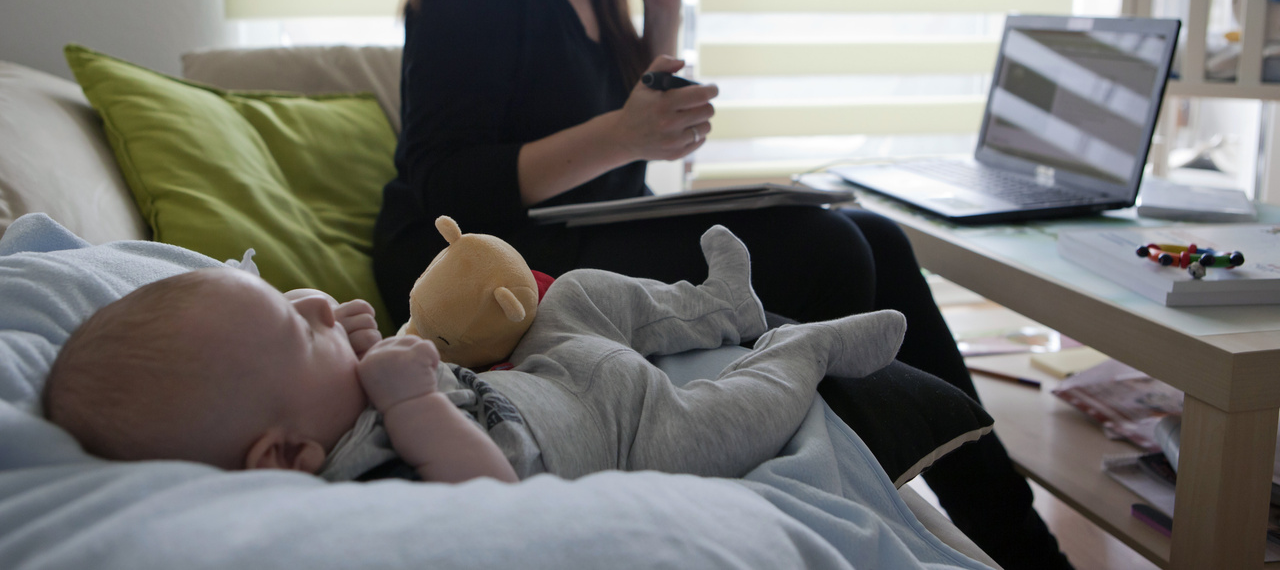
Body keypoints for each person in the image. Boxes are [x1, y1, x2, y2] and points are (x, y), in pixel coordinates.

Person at [372, 0, 1073, 569]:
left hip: (560, 237)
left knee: (877, 239)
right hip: (478, 269)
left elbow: (623, 173)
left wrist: (659, 2)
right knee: (827, 250)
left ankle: (1021, 542)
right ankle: (864, 508)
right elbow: (449, 184)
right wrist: (623, 129)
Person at [43, 227, 907, 485]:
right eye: (294, 326)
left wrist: (356, 348)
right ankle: (804, 349)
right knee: (745, 416)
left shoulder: (329, 405)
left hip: (546, 373)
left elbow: (393, 375)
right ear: (282, 455)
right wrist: (411, 403)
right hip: (629, 432)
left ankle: (715, 307)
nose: (311, 300)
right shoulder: (364, 477)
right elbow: (487, 487)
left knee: (573, 292)